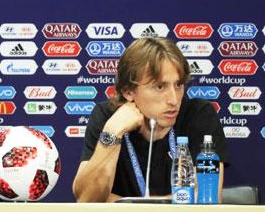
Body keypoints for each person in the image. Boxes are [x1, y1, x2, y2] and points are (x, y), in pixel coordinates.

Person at [73, 37, 230, 202]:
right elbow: (87, 199)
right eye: (160, 87)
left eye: (178, 85)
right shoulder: (107, 117)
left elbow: (205, 197)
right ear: (128, 91)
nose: (174, 100)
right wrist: (113, 132)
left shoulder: (199, 115)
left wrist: (122, 202)